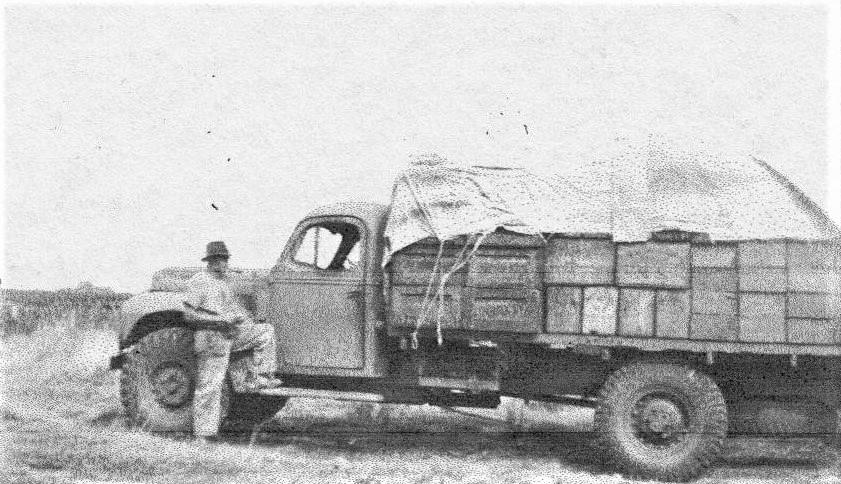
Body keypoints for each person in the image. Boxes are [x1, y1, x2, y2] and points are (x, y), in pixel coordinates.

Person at [183, 241, 283, 442]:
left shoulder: (224, 283)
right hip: (211, 338)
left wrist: (244, 320)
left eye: (226, 259)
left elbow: (233, 311)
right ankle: (202, 435)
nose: (224, 263)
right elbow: (189, 315)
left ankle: (261, 376)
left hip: (229, 336)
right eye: (220, 259)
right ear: (211, 261)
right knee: (210, 386)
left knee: (265, 332)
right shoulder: (199, 281)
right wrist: (220, 320)